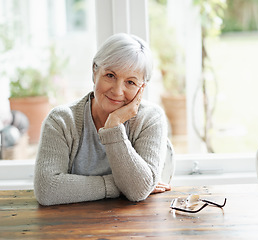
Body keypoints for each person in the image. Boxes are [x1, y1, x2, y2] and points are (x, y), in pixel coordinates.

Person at [34, 33, 172, 206]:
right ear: (94, 71)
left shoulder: (150, 119)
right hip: (71, 225)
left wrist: (114, 126)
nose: (117, 91)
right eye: (110, 75)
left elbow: (137, 192)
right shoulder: (61, 120)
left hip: (135, 226)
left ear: (142, 87)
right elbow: (47, 190)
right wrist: (119, 185)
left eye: (130, 82)